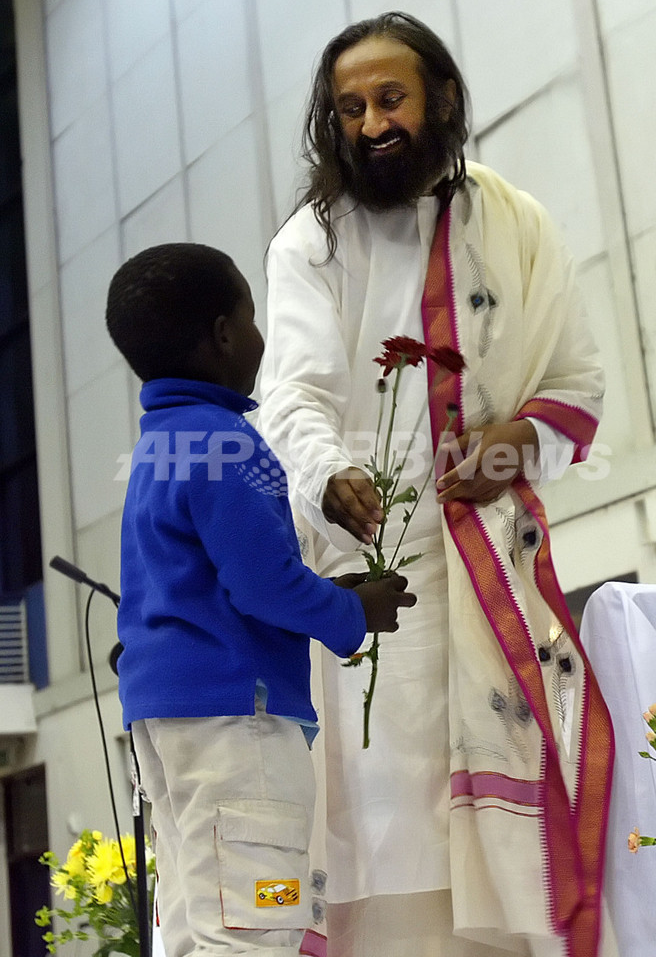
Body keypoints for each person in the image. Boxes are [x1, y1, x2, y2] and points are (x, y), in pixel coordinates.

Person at [259, 13, 617, 957]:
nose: (372, 123)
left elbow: (578, 388)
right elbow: (288, 395)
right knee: (383, 833)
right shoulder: (310, 245)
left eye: (390, 98)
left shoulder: (516, 223)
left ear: (442, 100)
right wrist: (329, 473)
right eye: (349, 108)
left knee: (496, 847)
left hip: (486, 575)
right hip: (366, 591)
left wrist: (516, 442)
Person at [105, 242, 416, 957]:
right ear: (222, 334)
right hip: (235, 726)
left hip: (171, 722)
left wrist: (326, 593)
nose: (259, 334)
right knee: (257, 924)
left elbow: (222, 580)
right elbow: (262, 583)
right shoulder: (226, 442)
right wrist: (351, 612)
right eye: (251, 315)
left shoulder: (164, 443)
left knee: (194, 927)